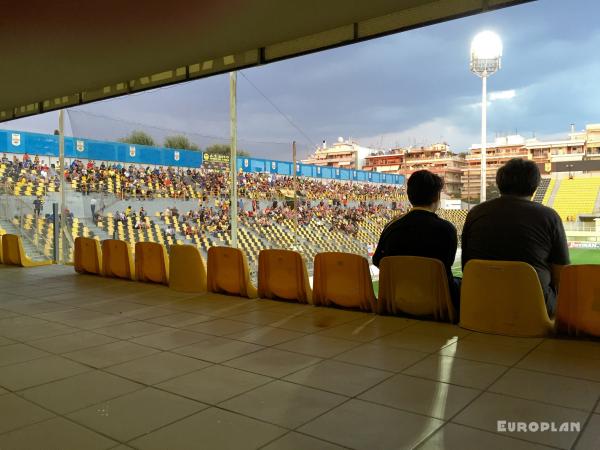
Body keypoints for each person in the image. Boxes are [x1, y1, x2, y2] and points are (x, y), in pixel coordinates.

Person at [461, 158, 569, 316]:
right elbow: (562, 274)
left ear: (500, 183)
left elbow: (467, 265)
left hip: (480, 304)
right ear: (535, 185)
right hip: (533, 308)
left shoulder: (475, 213)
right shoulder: (549, 217)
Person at [373, 170, 460, 311]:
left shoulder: (391, 226)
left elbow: (378, 260)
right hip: (438, 302)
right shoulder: (446, 229)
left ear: (409, 196)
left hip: (398, 298)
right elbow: (445, 266)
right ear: (437, 197)